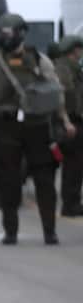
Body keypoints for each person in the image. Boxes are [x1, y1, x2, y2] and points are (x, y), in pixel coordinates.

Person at [0, 13, 75, 245]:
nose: (6, 37)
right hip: (6, 125)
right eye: (3, 32)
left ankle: (49, 230)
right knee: (8, 181)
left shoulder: (40, 60)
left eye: (10, 32)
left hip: (37, 125)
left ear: (20, 33)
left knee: (44, 180)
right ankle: (10, 231)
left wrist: (65, 121)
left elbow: (56, 93)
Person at [52, 35, 83, 217]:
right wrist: (68, 120)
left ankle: (72, 202)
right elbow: (65, 96)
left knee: (75, 165)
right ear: (74, 50)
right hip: (71, 121)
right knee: (73, 164)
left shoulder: (68, 67)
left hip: (71, 120)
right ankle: (70, 204)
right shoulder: (65, 68)